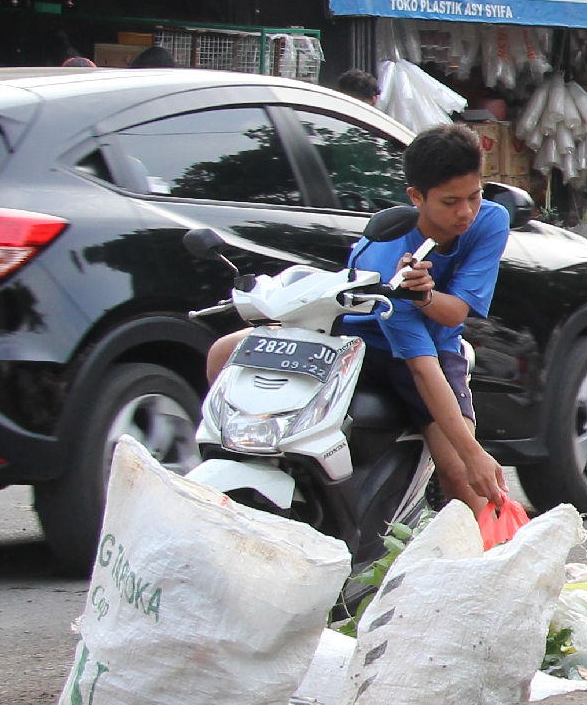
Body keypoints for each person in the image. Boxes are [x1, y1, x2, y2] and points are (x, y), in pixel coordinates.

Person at [205, 123, 509, 511]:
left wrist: (474, 455)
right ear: (416, 197)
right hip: (357, 341)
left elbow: (447, 327)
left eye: (474, 196)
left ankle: (493, 543)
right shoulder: (386, 257)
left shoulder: (490, 220)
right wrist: (416, 296)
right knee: (225, 352)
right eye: (450, 202)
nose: (465, 212)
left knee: (462, 475)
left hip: (434, 348)